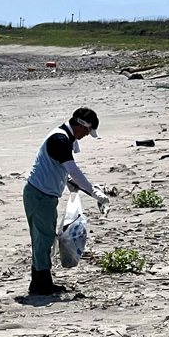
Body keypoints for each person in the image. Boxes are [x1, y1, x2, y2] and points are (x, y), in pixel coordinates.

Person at [23, 107, 110, 295]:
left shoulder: (64, 137)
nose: (86, 135)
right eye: (87, 131)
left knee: (43, 239)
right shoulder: (59, 140)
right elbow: (72, 169)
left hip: (44, 194)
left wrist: (68, 183)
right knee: (43, 240)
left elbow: (59, 168)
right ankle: (43, 285)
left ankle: (38, 283)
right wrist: (94, 192)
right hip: (39, 195)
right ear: (80, 125)